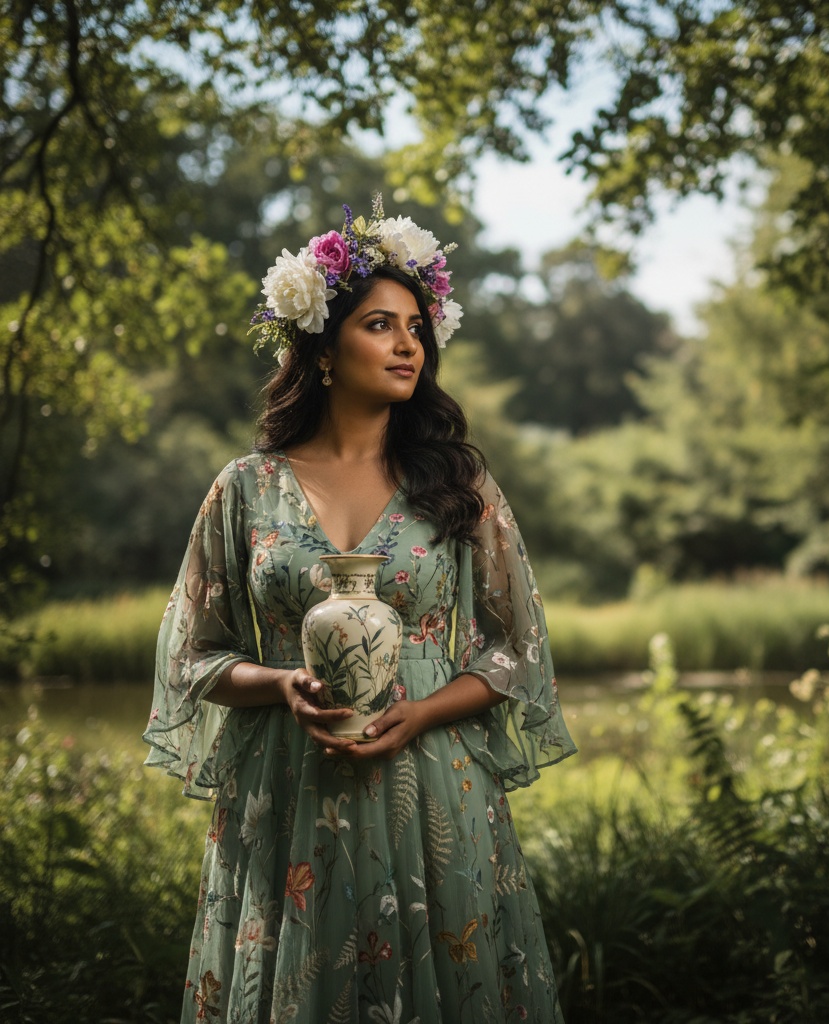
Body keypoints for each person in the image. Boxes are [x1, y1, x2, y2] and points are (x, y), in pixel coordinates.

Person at [143, 196, 577, 1024]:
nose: (409, 342)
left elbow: (516, 649)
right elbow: (191, 656)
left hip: (434, 785)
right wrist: (278, 684)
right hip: (288, 790)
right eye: (380, 324)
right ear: (324, 349)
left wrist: (422, 712)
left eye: (417, 325)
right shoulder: (245, 489)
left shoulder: (456, 486)